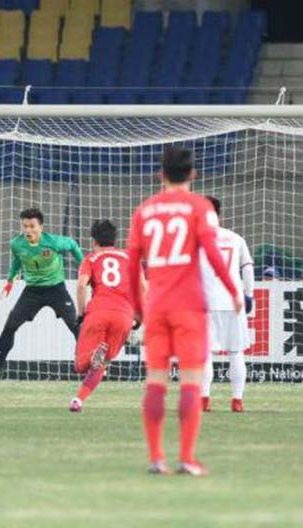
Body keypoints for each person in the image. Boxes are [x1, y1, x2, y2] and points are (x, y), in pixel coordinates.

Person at [127, 147, 242, 476]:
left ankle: (155, 457)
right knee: (191, 382)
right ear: (193, 174)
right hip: (190, 306)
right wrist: (234, 291)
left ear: (160, 174)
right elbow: (213, 253)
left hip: (157, 306)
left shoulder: (145, 211)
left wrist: (138, 308)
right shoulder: (199, 207)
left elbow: (133, 265)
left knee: (155, 383)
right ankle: (187, 459)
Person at [0, 207, 83, 379]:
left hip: (57, 289)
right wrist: (10, 281)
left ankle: (91, 365)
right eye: (25, 226)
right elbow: (17, 261)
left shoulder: (53, 242)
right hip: (32, 291)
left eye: (32, 226)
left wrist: (85, 268)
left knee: (76, 326)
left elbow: (72, 244)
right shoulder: (16, 244)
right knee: (10, 326)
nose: (28, 230)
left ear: (41, 227)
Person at [69, 220, 137, 412]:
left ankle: (92, 355)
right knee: (102, 363)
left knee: (81, 365)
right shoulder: (129, 258)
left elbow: (82, 285)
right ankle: (78, 400)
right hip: (124, 315)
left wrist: (81, 312)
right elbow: (142, 289)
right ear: (115, 239)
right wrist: (139, 318)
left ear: (94, 240)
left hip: (99, 311)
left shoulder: (91, 258)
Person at [200, 196, 254, 413]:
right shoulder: (235, 238)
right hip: (234, 302)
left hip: (206, 303)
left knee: (205, 354)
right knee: (236, 352)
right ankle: (237, 400)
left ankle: (204, 399)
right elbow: (248, 268)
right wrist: (248, 295)